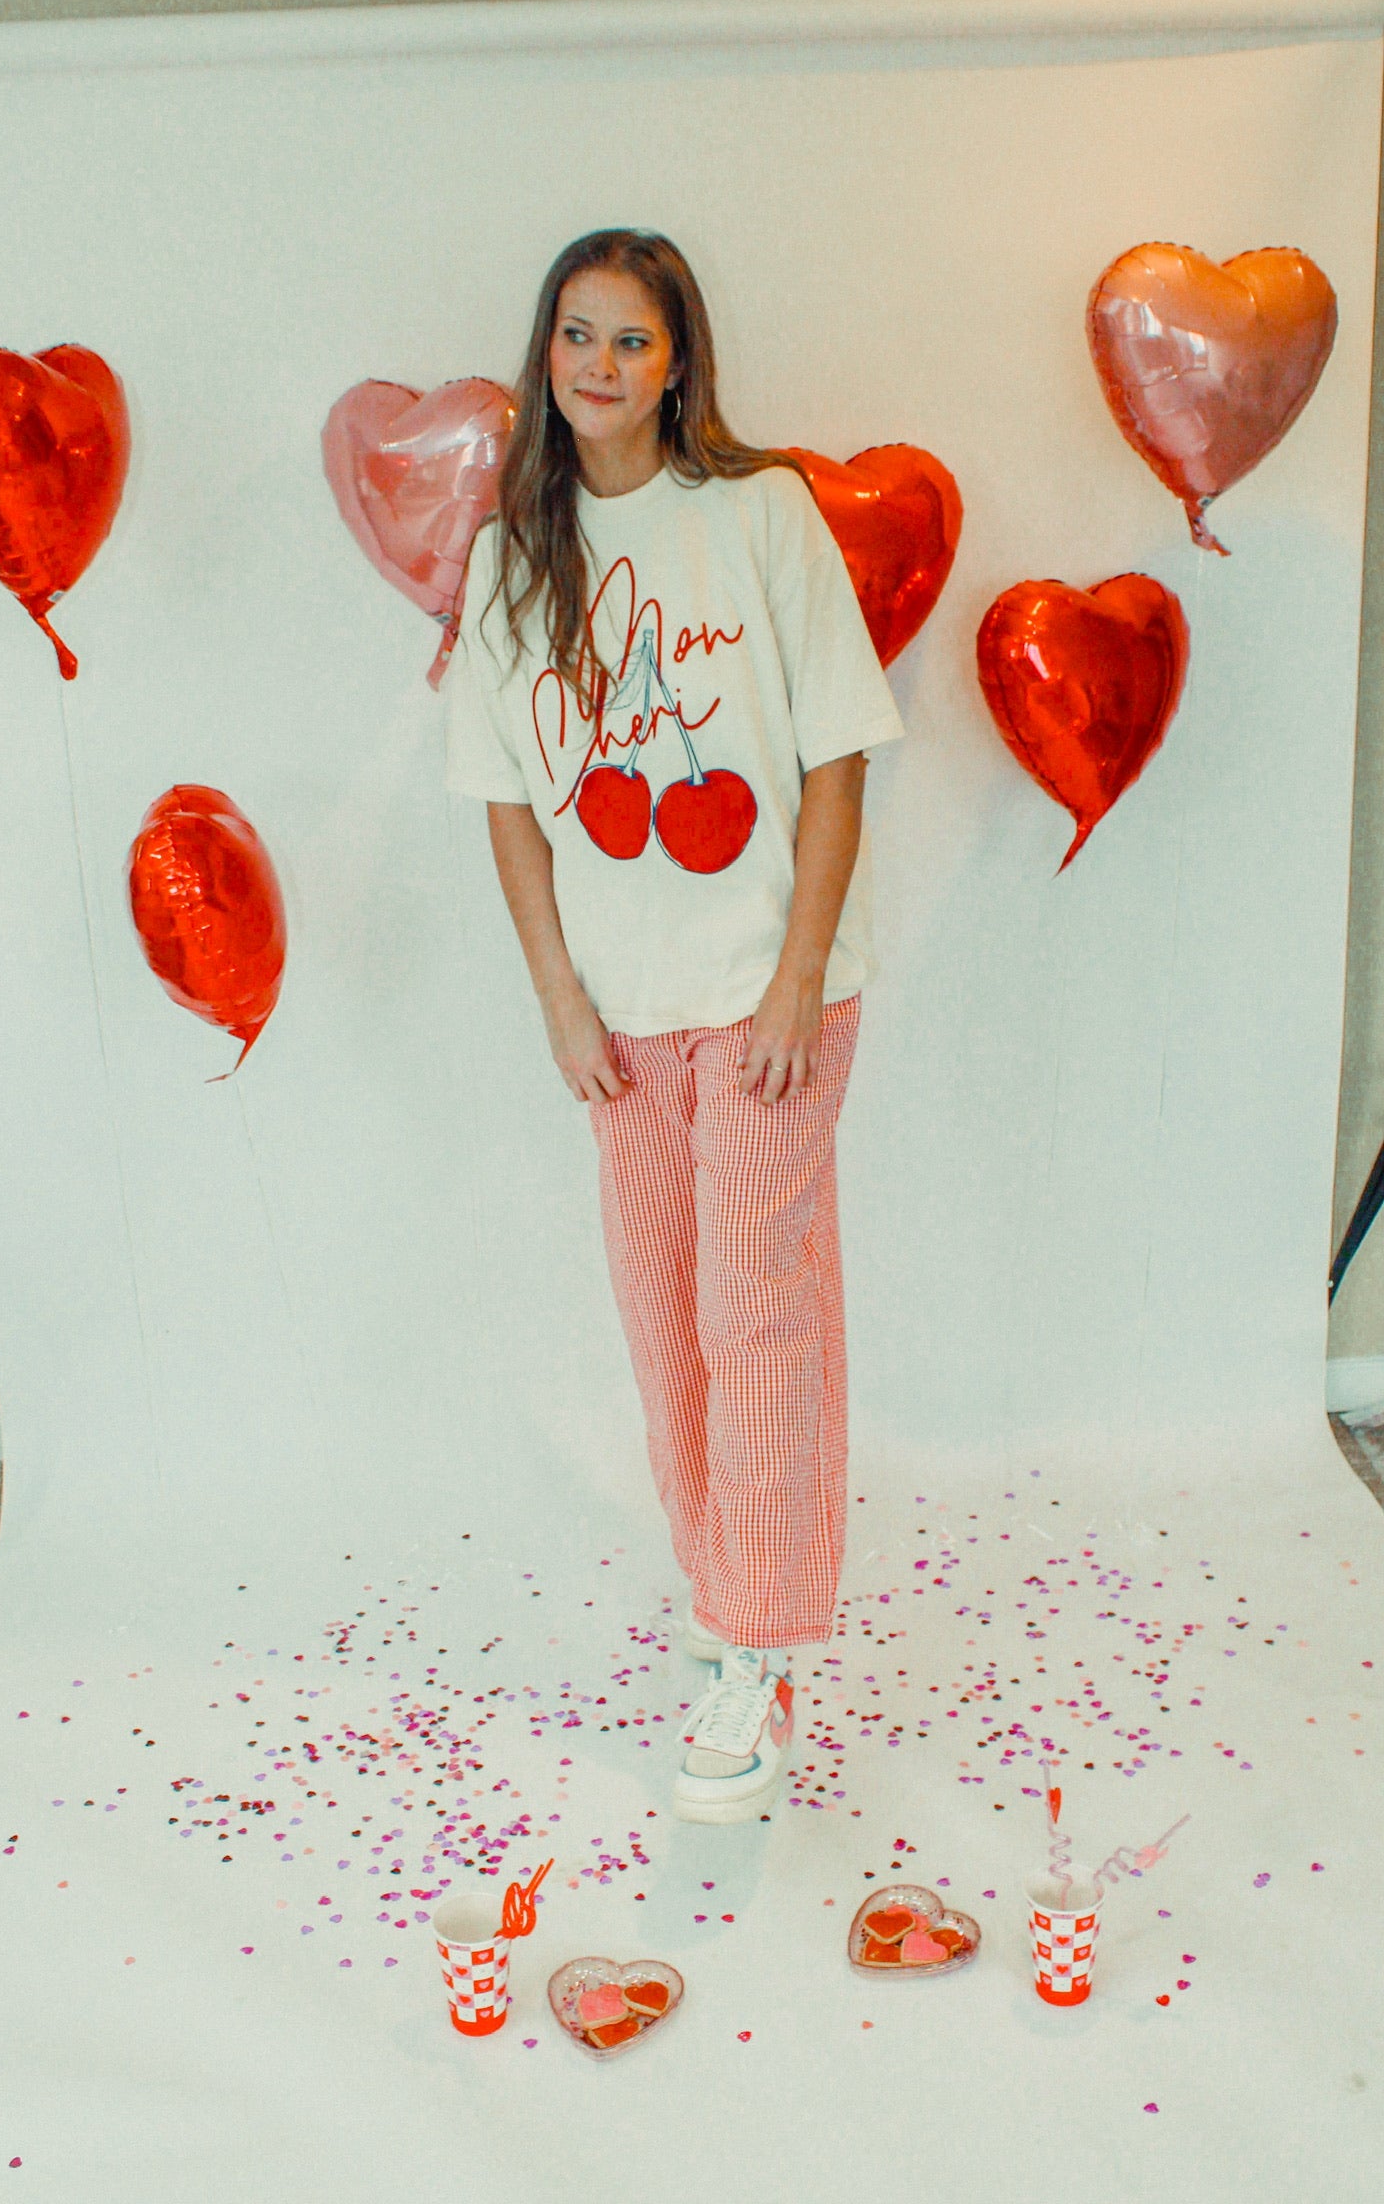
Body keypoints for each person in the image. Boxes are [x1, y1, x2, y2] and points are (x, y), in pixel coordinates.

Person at [444, 228, 903, 1823]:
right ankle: (731, 1604)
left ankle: (750, 1649)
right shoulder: (517, 552)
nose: (600, 366)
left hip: (771, 1004)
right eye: (576, 334)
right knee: (666, 1328)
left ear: (679, 363)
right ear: (545, 352)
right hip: (620, 1022)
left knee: (757, 1322)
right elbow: (507, 804)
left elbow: (840, 754)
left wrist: (796, 973)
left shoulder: (758, 516)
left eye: (632, 341)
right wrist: (558, 999)